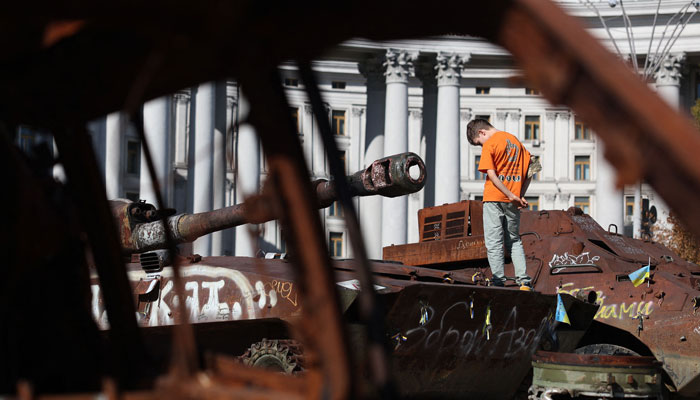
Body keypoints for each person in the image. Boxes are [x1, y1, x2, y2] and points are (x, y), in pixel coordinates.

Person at [466, 118, 533, 289]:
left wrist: (510, 194)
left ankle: (498, 282)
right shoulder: (516, 142)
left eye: (478, 143)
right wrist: (518, 195)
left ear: (482, 132)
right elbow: (532, 170)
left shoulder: (490, 144)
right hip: (513, 201)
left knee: (494, 241)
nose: (481, 146)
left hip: (494, 198)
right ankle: (524, 281)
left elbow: (492, 175)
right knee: (514, 240)